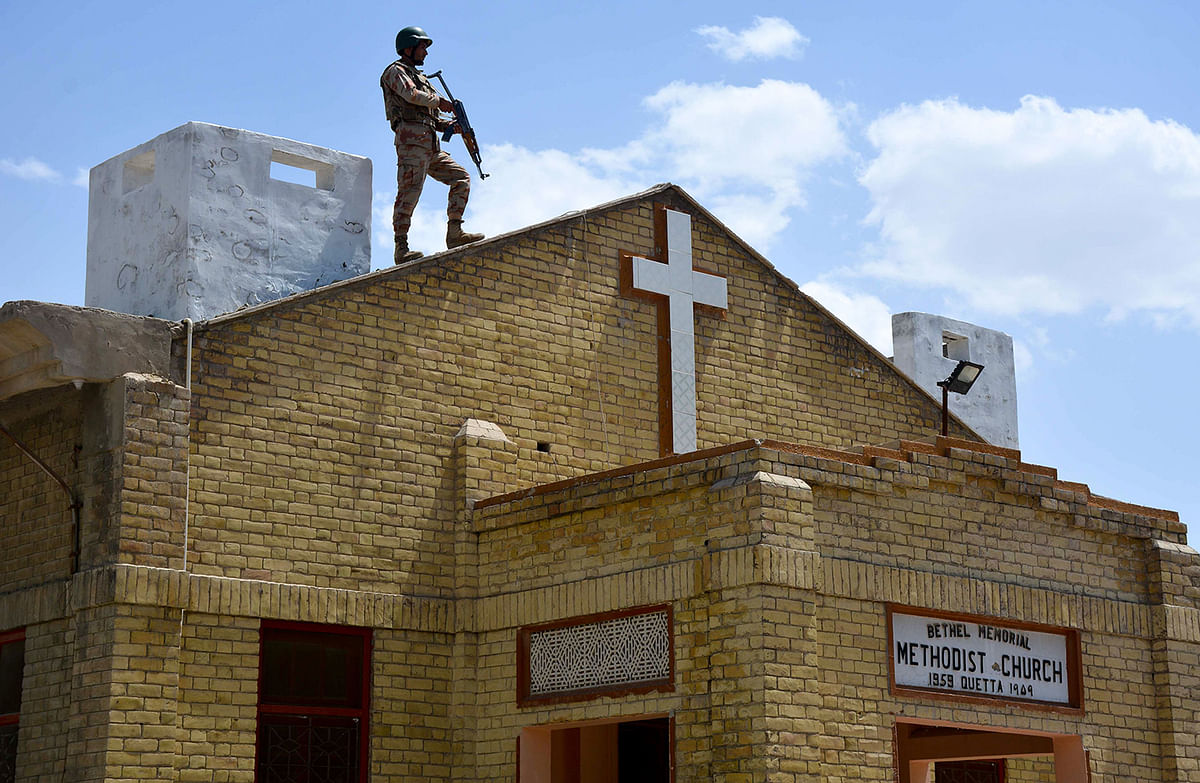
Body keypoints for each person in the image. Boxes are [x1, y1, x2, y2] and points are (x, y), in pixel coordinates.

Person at [381, 26, 484, 263]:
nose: (425, 53)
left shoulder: (423, 79)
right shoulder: (395, 71)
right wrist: (440, 102)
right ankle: (401, 247)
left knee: (461, 178)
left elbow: (431, 116)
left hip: (430, 146)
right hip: (411, 145)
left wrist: (450, 126)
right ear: (408, 48)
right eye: (422, 48)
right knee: (409, 192)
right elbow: (410, 96)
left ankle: (455, 232)